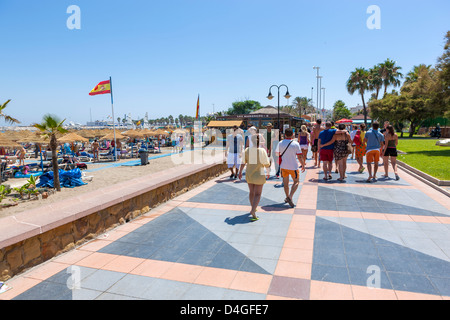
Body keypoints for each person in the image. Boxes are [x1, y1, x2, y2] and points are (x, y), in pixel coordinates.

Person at [238, 134, 271, 221]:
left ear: (251, 141)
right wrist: (268, 172)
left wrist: (240, 172)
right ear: (259, 141)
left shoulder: (247, 150)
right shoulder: (262, 151)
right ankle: (253, 210)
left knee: (251, 192)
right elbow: (266, 163)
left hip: (249, 173)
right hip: (259, 174)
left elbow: (243, 162)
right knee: (258, 194)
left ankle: (253, 207)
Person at [275, 128, 306, 208]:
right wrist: (303, 165)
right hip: (293, 166)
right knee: (296, 182)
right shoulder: (295, 144)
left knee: (285, 184)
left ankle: (287, 196)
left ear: (284, 135)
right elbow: (299, 156)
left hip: (283, 166)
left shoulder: (280, 143)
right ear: (292, 134)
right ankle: (290, 197)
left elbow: (277, 154)